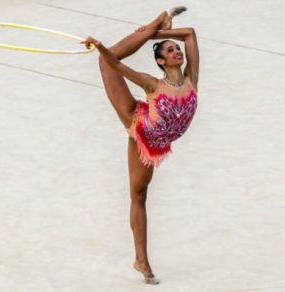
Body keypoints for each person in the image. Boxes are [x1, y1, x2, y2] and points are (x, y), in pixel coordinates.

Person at [81, 6, 199, 285]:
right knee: (138, 195)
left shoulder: (192, 78)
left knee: (141, 195)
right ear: (160, 62)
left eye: (176, 49)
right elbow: (118, 65)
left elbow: (191, 35)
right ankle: (141, 259)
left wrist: (155, 33)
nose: (176, 52)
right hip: (142, 132)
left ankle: (159, 18)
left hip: (158, 142)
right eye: (169, 51)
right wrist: (100, 47)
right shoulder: (151, 83)